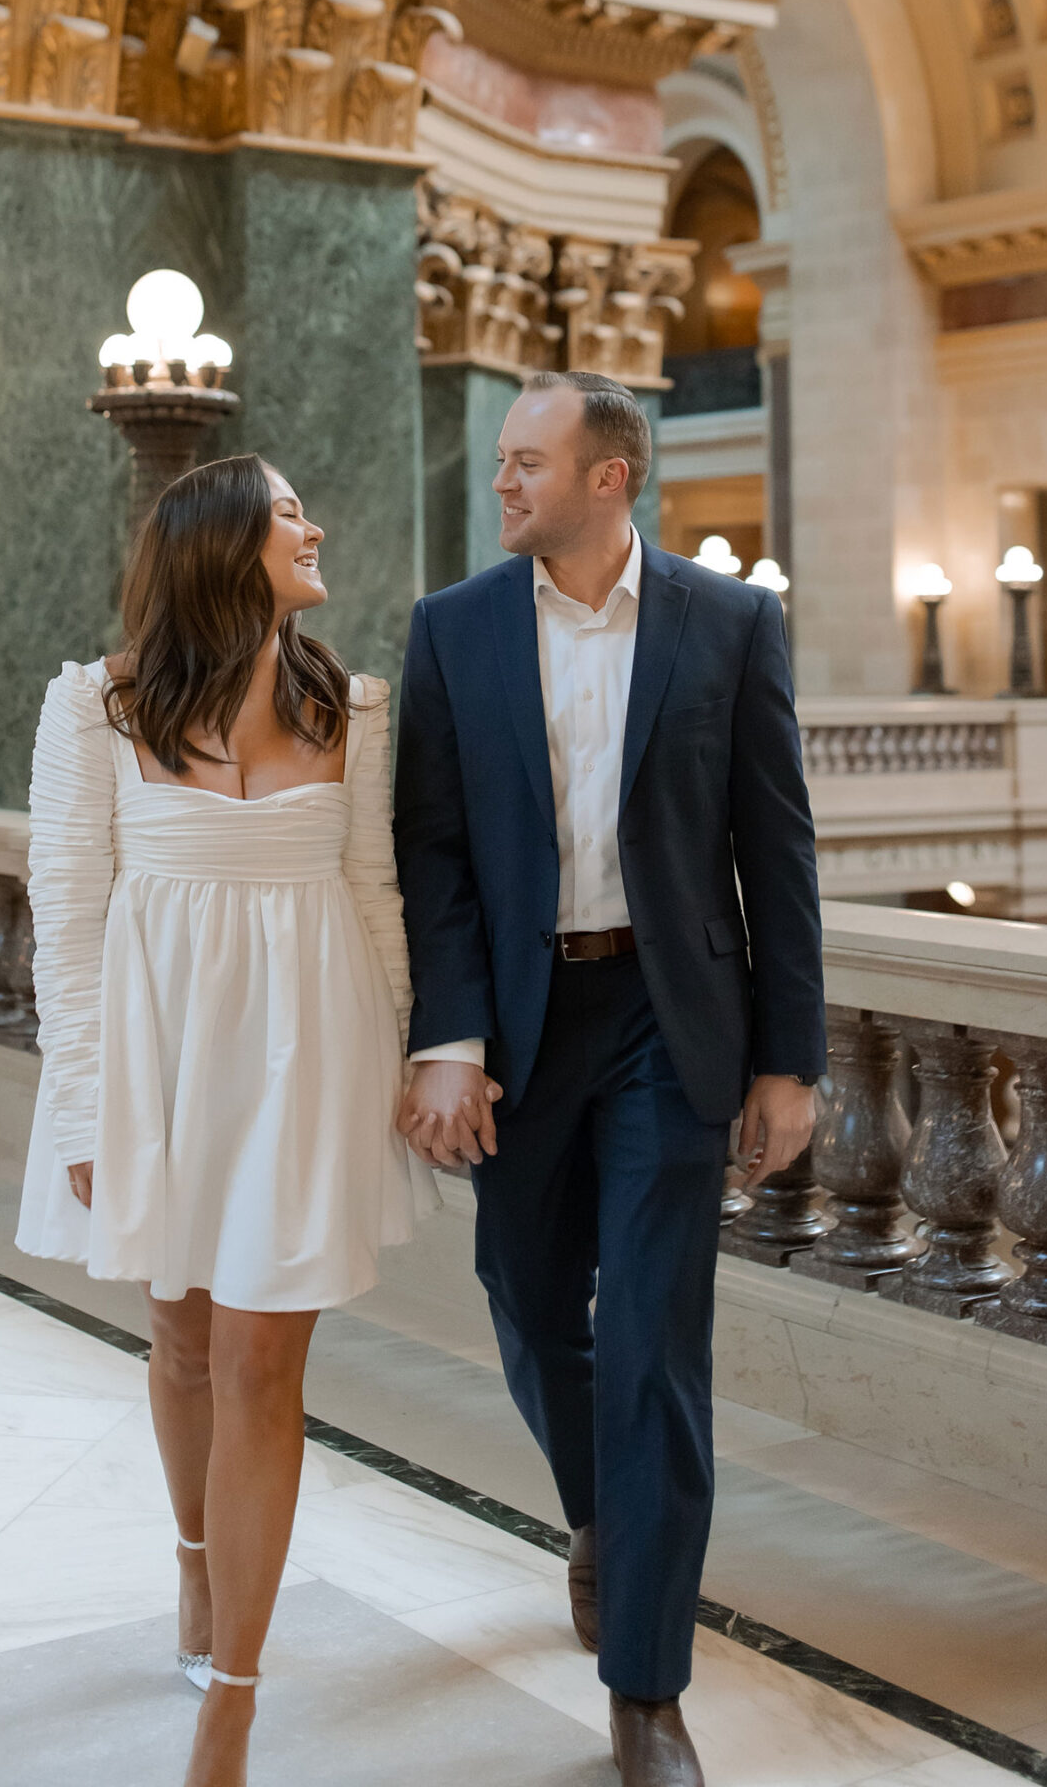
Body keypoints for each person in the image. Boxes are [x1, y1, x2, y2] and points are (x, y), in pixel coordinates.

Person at [394, 370, 825, 1787]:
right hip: (521, 1031)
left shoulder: (730, 621)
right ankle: (604, 1515)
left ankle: (647, 1688)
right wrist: (448, 1042)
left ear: (608, 478)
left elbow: (780, 854)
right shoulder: (454, 632)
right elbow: (434, 858)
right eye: (504, 461)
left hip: (667, 1018)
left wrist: (788, 1059)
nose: (503, 482)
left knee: (654, 1345)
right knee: (524, 1300)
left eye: (528, 462)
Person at [17, 454, 426, 1787]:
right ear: (218, 545)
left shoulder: (355, 707)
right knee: (182, 1338)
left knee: (261, 1363)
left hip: (310, 1062)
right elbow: (68, 918)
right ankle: (194, 1564)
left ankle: (231, 1701)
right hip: (160, 1060)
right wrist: (81, 1099)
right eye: (290, 513)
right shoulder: (96, 706)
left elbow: (378, 901)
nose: (316, 528)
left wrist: (412, 1061)